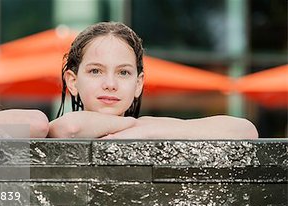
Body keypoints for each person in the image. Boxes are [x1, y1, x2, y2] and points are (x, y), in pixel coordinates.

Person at [48, 22, 258, 139]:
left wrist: (146, 130)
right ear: (72, 81)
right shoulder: (57, 128)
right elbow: (72, 128)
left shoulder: (144, 127)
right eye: (96, 71)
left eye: (123, 73)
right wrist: (134, 126)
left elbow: (245, 130)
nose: (110, 84)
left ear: (138, 84)